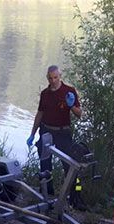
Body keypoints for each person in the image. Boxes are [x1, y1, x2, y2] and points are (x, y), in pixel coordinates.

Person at [27, 65, 82, 197]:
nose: (53, 81)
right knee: (44, 162)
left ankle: (74, 195)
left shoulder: (69, 91)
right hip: (46, 131)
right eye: (50, 78)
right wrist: (32, 134)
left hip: (63, 132)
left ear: (60, 76)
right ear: (47, 78)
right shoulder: (45, 94)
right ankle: (46, 192)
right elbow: (40, 113)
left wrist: (72, 106)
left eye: (55, 77)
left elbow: (79, 114)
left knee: (69, 164)